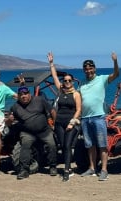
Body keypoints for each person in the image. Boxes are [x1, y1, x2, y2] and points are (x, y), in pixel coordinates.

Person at [79, 53, 119, 181]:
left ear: (94, 69)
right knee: (90, 145)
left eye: (90, 68)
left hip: (99, 117)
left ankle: (104, 170)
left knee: (102, 144)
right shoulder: (82, 84)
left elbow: (116, 75)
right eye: (86, 69)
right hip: (85, 118)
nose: (88, 70)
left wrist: (115, 62)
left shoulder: (102, 79)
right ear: (84, 70)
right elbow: (77, 98)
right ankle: (92, 168)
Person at [10, 86, 57, 180]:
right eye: (21, 95)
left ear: (29, 94)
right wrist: (9, 120)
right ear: (18, 96)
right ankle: (24, 170)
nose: (24, 96)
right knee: (25, 145)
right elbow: (10, 121)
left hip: (44, 130)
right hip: (27, 132)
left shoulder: (39, 100)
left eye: (25, 94)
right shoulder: (15, 107)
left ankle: (52, 166)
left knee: (52, 144)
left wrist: (55, 124)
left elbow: (52, 111)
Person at [47, 52, 82, 182]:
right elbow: (55, 76)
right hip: (59, 122)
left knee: (67, 145)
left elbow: (78, 110)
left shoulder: (76, 94)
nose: (67, 82)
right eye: (65, 80)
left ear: (72, 82)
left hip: (71, 122)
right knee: (62, 145)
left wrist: (72, 122)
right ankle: (69, 168)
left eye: (69, 80)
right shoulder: (61, 91)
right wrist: (51, 64)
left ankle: (66, 170)